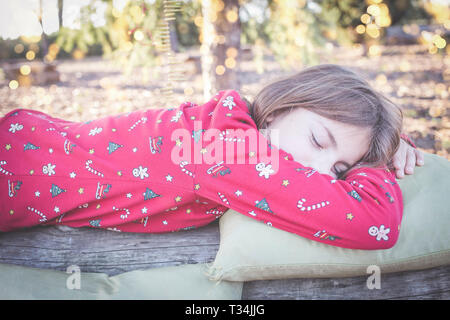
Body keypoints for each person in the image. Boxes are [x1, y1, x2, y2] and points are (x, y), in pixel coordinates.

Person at [0, 64, 423, 250]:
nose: (319, 173)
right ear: (278, 111)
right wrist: (378, 168)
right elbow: (373, 226)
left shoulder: (228, 129)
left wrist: (380, 147)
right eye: (317, 140)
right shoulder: (227, 150)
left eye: (339, 170)